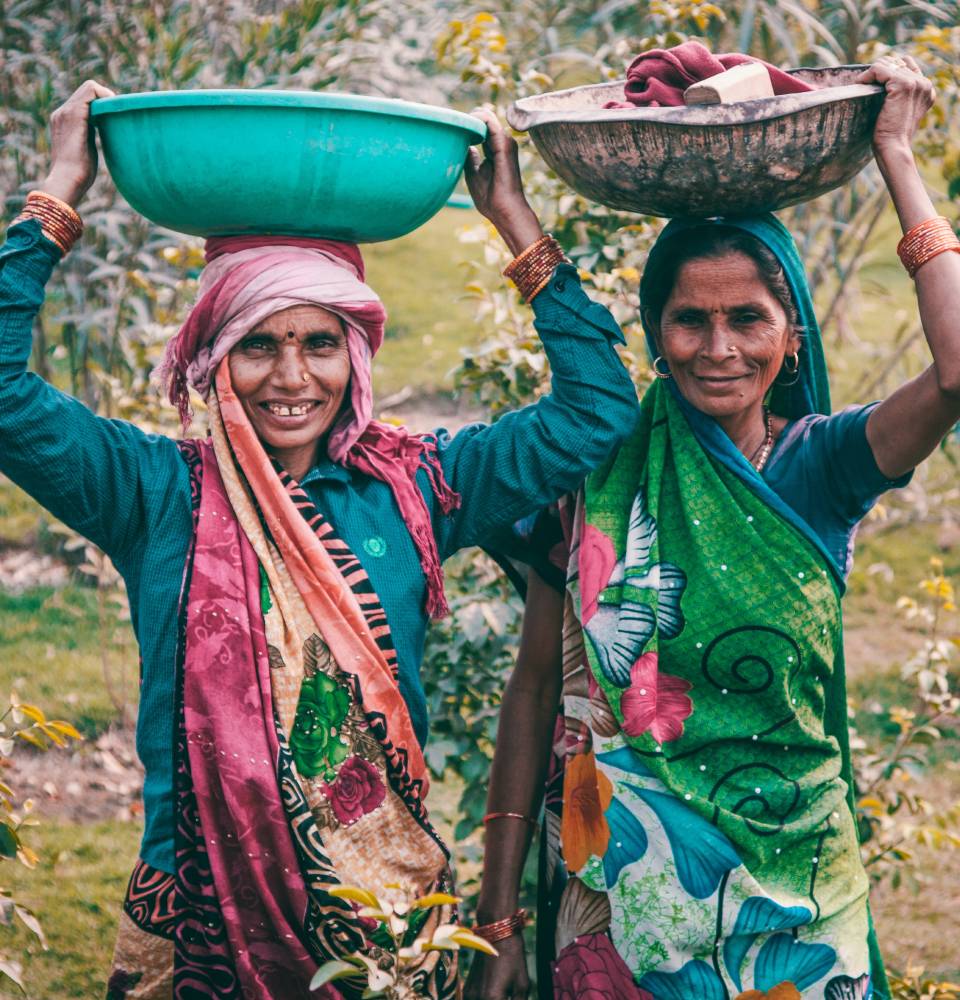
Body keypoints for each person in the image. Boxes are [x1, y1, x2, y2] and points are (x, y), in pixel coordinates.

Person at [0, 83, 641, 998]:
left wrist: (514, 220)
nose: (291, 377)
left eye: (319, 342)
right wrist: (58, 194)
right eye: (257, 345)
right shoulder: (152, 492)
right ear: (215, 361)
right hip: (200, 926)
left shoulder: (419, 485)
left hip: (383, 924)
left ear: (358, 354)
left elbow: (596, 412)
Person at [466, 54, 959, 1000]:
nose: (719, 347)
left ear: (792, 334)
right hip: (618, 907)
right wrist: (499, 921)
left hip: (800, 902)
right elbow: (532, 690)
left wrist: (896, 152)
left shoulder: (821, 466)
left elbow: (957, 371)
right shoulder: (598, 470)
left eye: (748, 318)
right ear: (656, 335)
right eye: (689, 320)